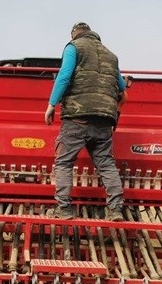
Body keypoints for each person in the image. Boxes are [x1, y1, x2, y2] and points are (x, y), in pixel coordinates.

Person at [44, 22, 127, 221]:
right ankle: (115, 210)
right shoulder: (111, 56)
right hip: (104, 119)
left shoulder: (74, 47)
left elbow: (64, 76)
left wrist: (51, 104)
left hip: (77, 117)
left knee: (64, 162)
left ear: (74, 35)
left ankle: (63, 209)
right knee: (106, 164)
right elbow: (122, 90)